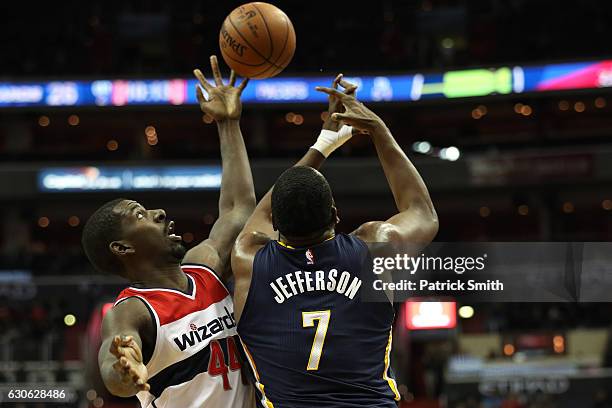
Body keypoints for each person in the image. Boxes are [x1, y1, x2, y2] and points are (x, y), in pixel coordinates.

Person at [231, 77, 439, 407]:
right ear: (335, 214)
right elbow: (422, 212)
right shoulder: (374, 246)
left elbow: (266, 210)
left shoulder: (249, 259)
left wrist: (323, 144)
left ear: (276, 226)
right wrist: (378, 130)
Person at [81, 56, 255, 408]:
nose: (159, 213)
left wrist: (228, 123)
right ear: (123, 248)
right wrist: (123, 369)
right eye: (140, 214)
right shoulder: (132, 310)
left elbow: (238, 209)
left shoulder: (204, 267)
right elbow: (115, 363)